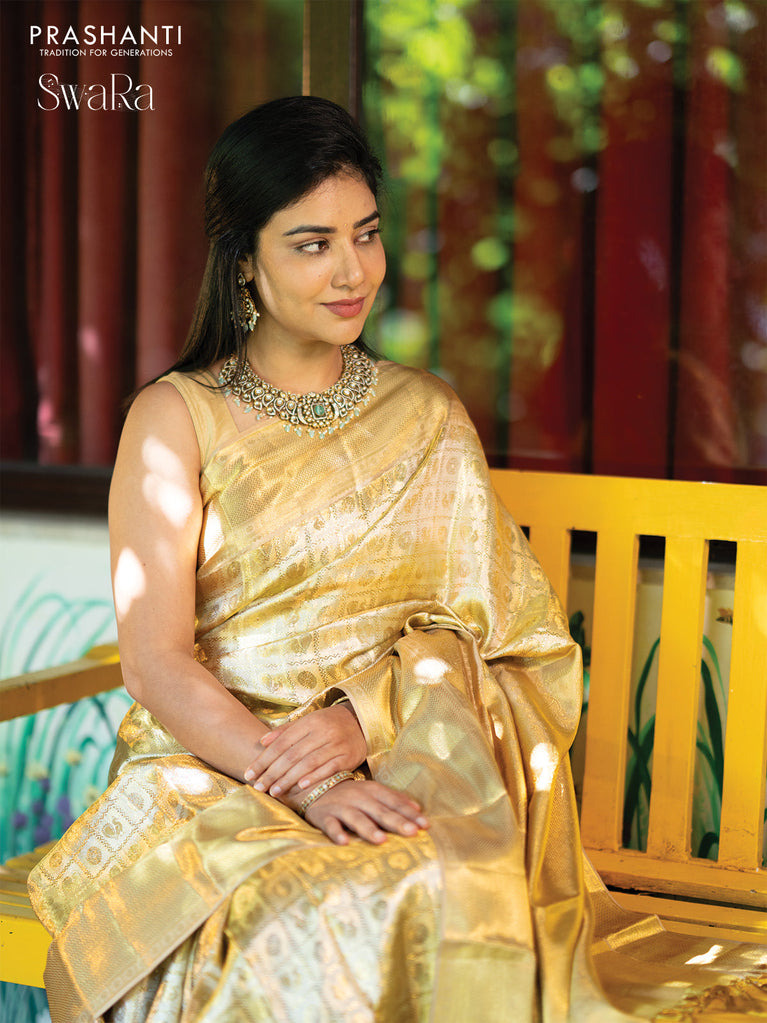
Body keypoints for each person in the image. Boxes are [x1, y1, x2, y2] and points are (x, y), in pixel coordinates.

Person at [29, 97, 766, 1023]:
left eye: (366, 234)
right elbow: (155, 661)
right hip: (215, 769)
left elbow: (517, 645)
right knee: (301, 905)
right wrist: (306, 778)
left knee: (426, 884)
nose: (353, 271)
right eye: (312, 244)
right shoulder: (177, 417)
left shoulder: (425, 414)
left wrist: (365, 718)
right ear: (242, 258)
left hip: (406, 761)